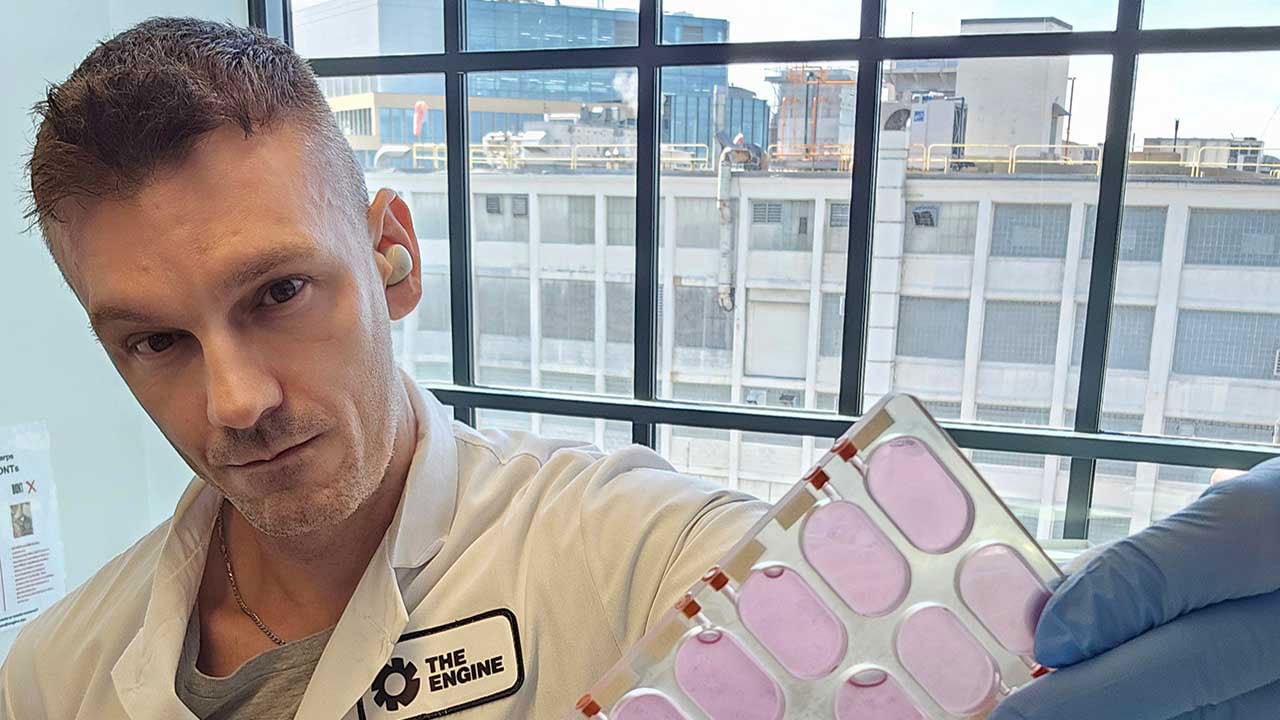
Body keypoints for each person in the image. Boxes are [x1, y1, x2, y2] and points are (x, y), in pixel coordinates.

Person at [4, 17, 1278, 720]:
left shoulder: (625, 551)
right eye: (155, 341)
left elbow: (901, 651)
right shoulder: (56, 678)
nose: (234, 399)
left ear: (392, 257)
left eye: (279, 293)